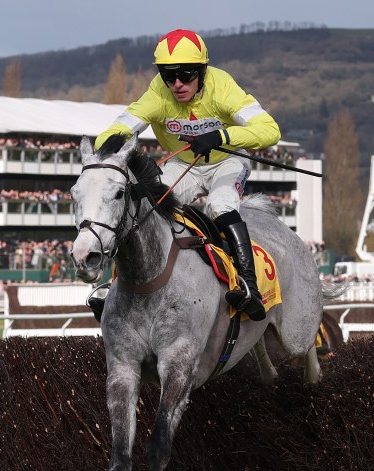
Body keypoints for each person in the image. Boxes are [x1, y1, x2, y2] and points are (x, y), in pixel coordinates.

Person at [93, 28, 281, 321]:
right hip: (183, 165)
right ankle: (115, 284)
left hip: (227, 161)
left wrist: (221, 137)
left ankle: (248, 284)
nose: (177, 84)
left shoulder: (223, 87)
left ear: (203, 71)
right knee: (145, 208)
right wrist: (113, 146)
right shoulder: (157, 92)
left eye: (187, 74)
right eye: (169, 76)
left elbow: (270, 130)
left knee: (219, 205)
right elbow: (114, 131)